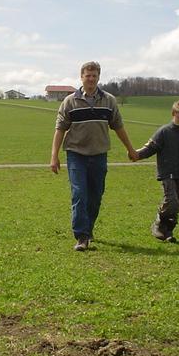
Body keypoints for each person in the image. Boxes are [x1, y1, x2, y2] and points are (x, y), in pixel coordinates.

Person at [50, 61, 138, 251]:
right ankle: (81, 236)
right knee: (79, 193)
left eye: (94, 76)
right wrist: (54, 156)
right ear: (81, 77)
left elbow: (119, 127)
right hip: (76, 155)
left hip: (99, 155)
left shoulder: (109, 101)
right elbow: (59, 130)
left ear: (99, 77)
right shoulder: (70, 102)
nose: (91, 79)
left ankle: (88, 231)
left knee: (95, 196)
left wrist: (131, 149)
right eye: (87, 75)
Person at [134, 100, 179, 243]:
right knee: (171, 200)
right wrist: (137, 155)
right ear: (173, 114)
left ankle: (168, 231)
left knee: (178, 204)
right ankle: (158, 222)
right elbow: (151, 147)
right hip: (167, 172)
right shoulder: (164, 131)